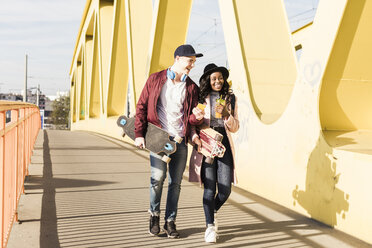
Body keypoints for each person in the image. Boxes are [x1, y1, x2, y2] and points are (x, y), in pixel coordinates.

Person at [134, 44, 204, 238]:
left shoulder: (192, 87)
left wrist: (196, 118)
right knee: (157, 179)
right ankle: (154, 216)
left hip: (180, 140)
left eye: (194, 62)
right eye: (190, 61)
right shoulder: (156, 79)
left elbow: (190, 118)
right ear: (177, 59)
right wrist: (139, 134)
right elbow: (141, 106)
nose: (192, 65)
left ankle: (170, 221)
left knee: (175, 184)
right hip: (158, 138)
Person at [189, 63, 239, 243]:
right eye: (213, 79)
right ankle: (210, 226)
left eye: (220, 78)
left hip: (223, 143)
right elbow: (192, 124)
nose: (217, 81)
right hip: (207, 145)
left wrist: (227, 114)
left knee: (225, 190)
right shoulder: (200, 98)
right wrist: (196, 136)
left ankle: (213, 210)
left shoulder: (230, 98)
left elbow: (235, 128)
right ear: (207, 81)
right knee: (210, 188)